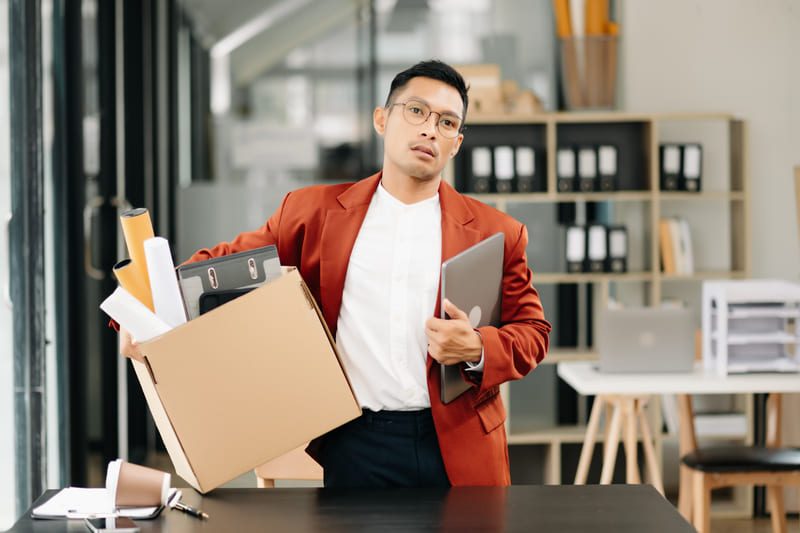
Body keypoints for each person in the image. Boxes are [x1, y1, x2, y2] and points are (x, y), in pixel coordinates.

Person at [120, 59, 551, 487]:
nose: (429, 129)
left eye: (446, 121)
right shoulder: (312, 214)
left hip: (457, 445)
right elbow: (215, 271)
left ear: (456, 142)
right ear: (382, 119)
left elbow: (534, 332)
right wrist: (140, 315)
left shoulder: (497, 232)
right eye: (416, 111)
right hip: (355, 442)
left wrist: (477, 346)